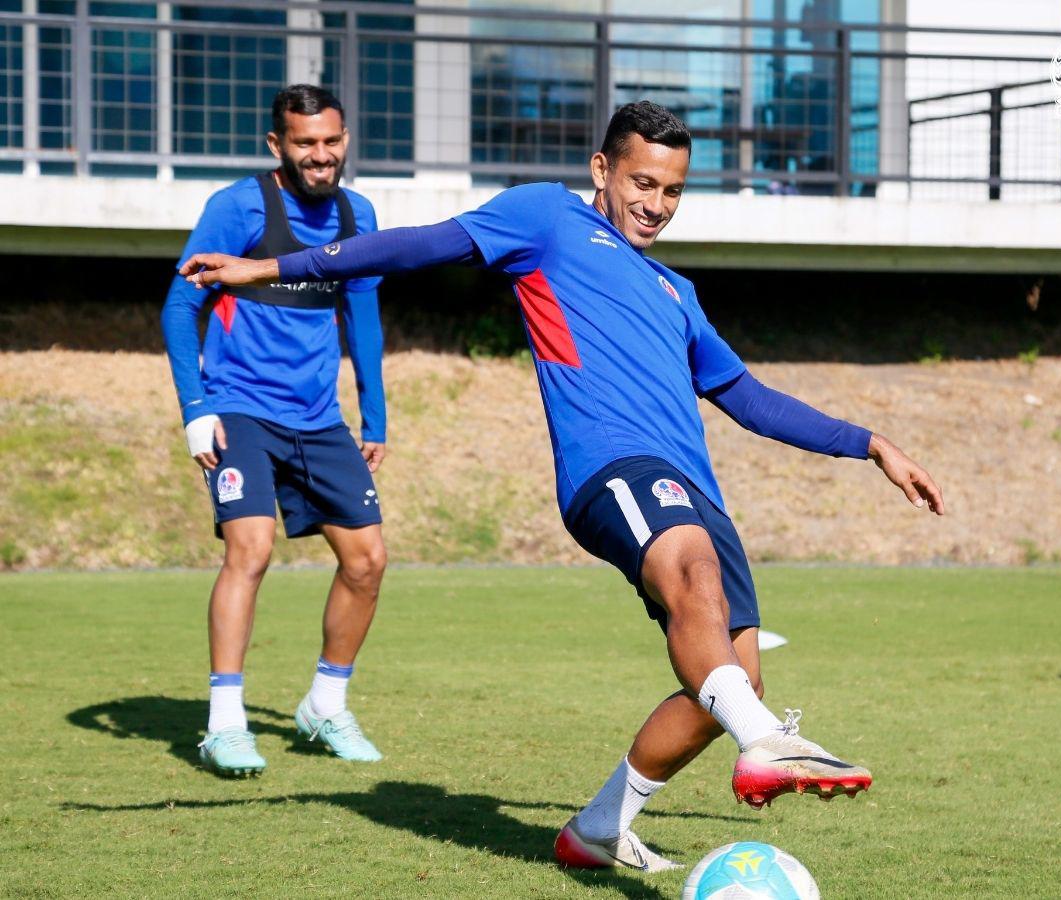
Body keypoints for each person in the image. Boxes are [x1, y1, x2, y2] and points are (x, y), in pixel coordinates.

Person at [180, 101, 944, 864]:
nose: (655, 203)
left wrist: (869, 443)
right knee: (695, 580)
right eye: (642, 182)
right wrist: (271, 266)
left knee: (729, 682)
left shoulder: (677, 291)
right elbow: (414, 247)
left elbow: (748, 399)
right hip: (611, 467)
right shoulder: (545, 218)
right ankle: (769, 741)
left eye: (672, 191)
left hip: (695, 488)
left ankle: (598, 828)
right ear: (603, 170)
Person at [161, 85, 388, 777]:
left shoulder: (359, 213)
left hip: (320, 420)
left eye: (331, 141)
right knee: (250, 550)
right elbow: (180, 304)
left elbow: (364, 319)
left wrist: (373, 414)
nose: (321, 156)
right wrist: (195, 407)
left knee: (367, 561)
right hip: (238, 408)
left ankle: (325, 704)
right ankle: (225, 725)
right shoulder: (237, 207)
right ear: (276, 145)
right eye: (304, 143)